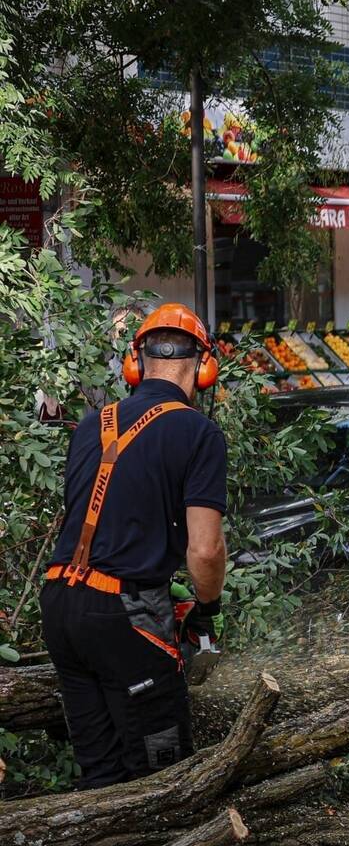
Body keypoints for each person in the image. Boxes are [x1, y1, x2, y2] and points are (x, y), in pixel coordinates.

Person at [38, 302, 228, 791]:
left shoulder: (90, 424)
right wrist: (207, 609)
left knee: (102, 774)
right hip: (123, 613)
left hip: (61, 605)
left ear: (135, 362)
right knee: (162, 774)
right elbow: (205, 552)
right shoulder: (199, 433)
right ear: (205, 366)